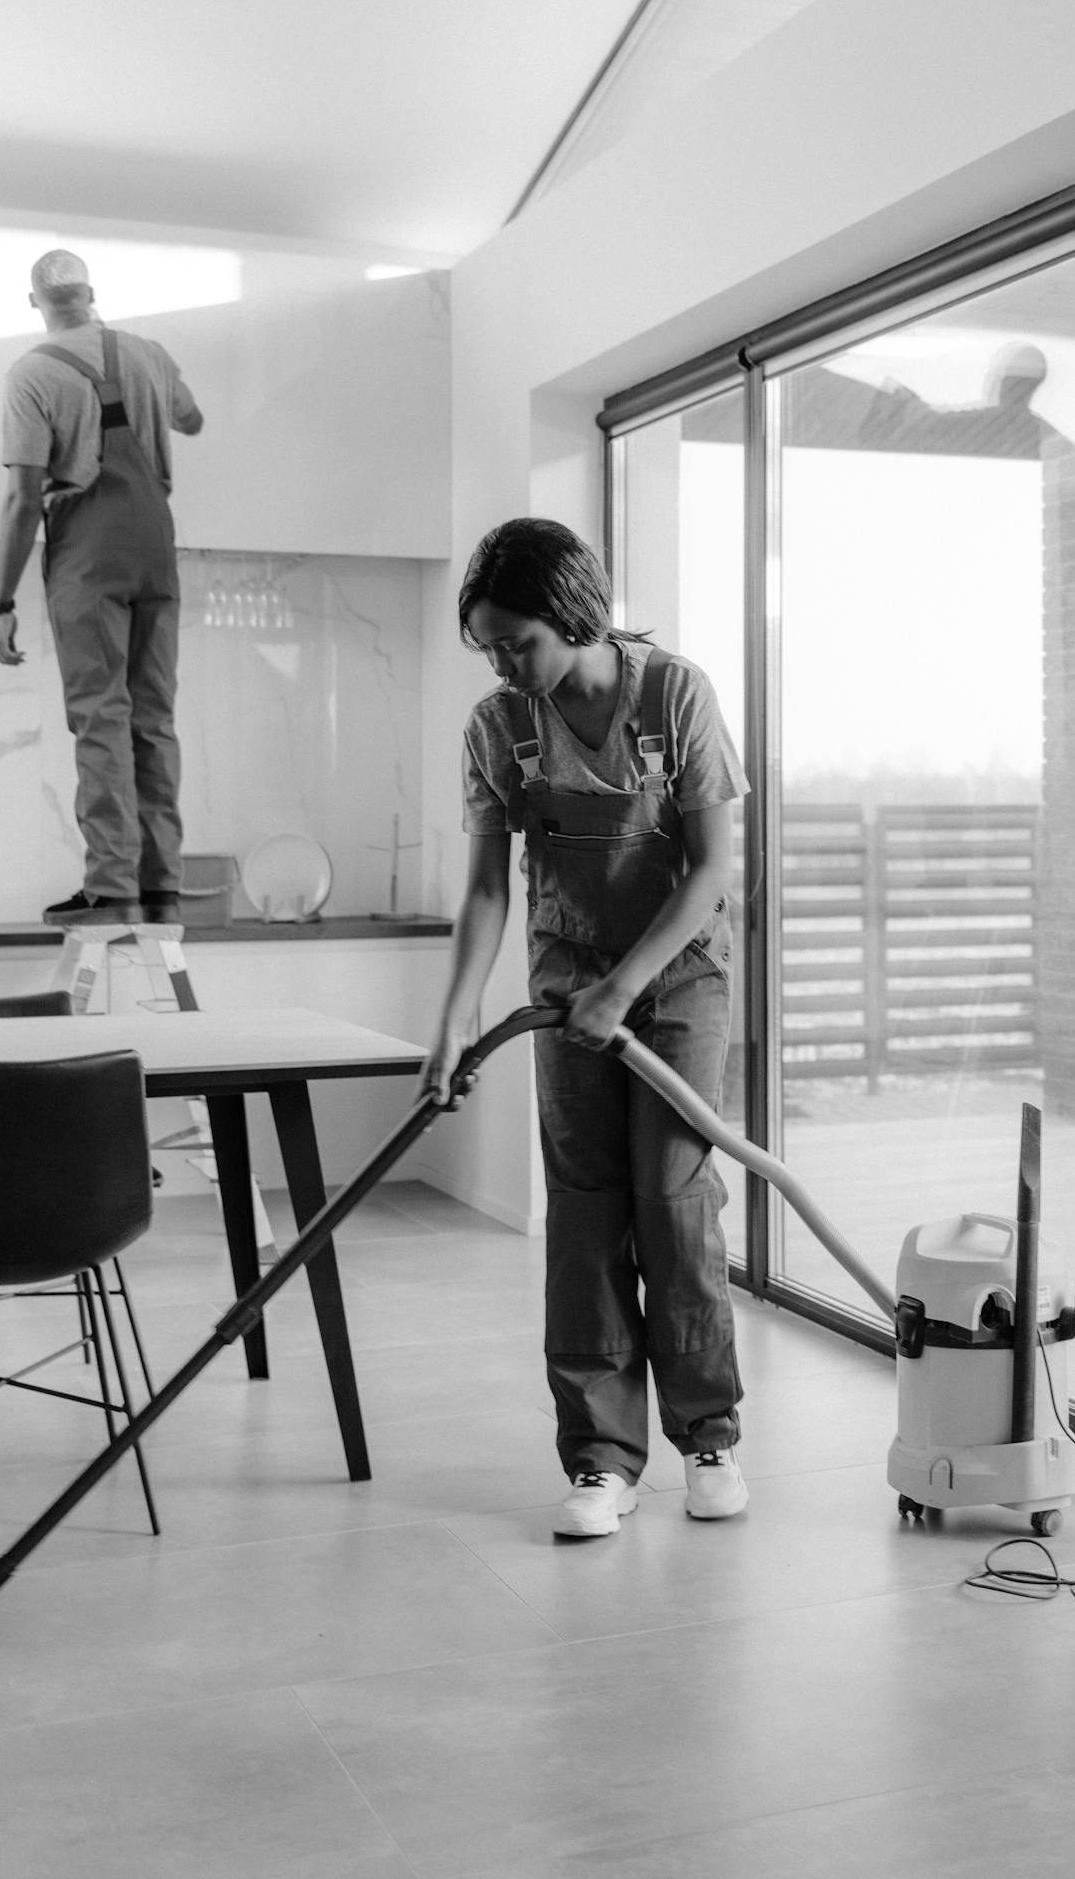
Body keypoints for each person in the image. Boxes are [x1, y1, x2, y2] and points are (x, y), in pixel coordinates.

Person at [422, 518, 750, 1538]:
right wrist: (455, 1018)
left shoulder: (674, 695)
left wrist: (628, 988)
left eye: (516, 641)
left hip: (679, 976)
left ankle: (709, 1438)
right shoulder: (498, 726)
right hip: (566, 980)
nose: (503, 663)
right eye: (486, 646)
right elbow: (484, 889)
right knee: (585, 1211)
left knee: (673, 1195)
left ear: (573, 613)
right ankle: (603, 1459)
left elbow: (711, 869)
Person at [0, 249, 204, 924]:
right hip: (156, 546)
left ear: (35, 303)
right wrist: (149, 389)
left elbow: (24, 500)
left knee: (100, 718)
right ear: (91, 293)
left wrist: (1, 604)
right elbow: (192, 419)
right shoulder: (149, 352)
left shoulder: (32, 374)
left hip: (88, 549)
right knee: (154, 719)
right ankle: (161, 888)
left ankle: (111, 889)